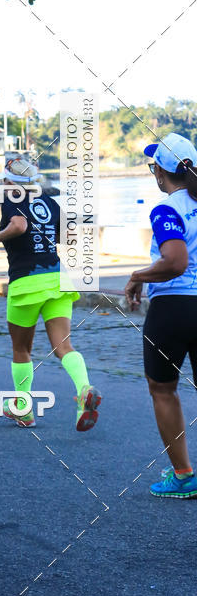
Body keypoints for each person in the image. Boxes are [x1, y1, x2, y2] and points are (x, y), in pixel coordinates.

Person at [0, 158, 101, 431]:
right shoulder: (49, 202)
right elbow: (68, 235)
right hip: (57, 280)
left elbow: (19, 226)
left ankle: (23, 408)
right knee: (63, 347)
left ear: (12, 183)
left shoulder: (13, 199)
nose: (3, 186)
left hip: (26, 283)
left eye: (5, 182)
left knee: (21, 349)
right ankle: (84, 389)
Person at [124, 132, 197, 498]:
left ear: (160, 172)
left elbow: (175, 262)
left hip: (174, 309)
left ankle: (183, 476)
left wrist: (138, 276)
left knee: (163, 390)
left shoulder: (167, 209)